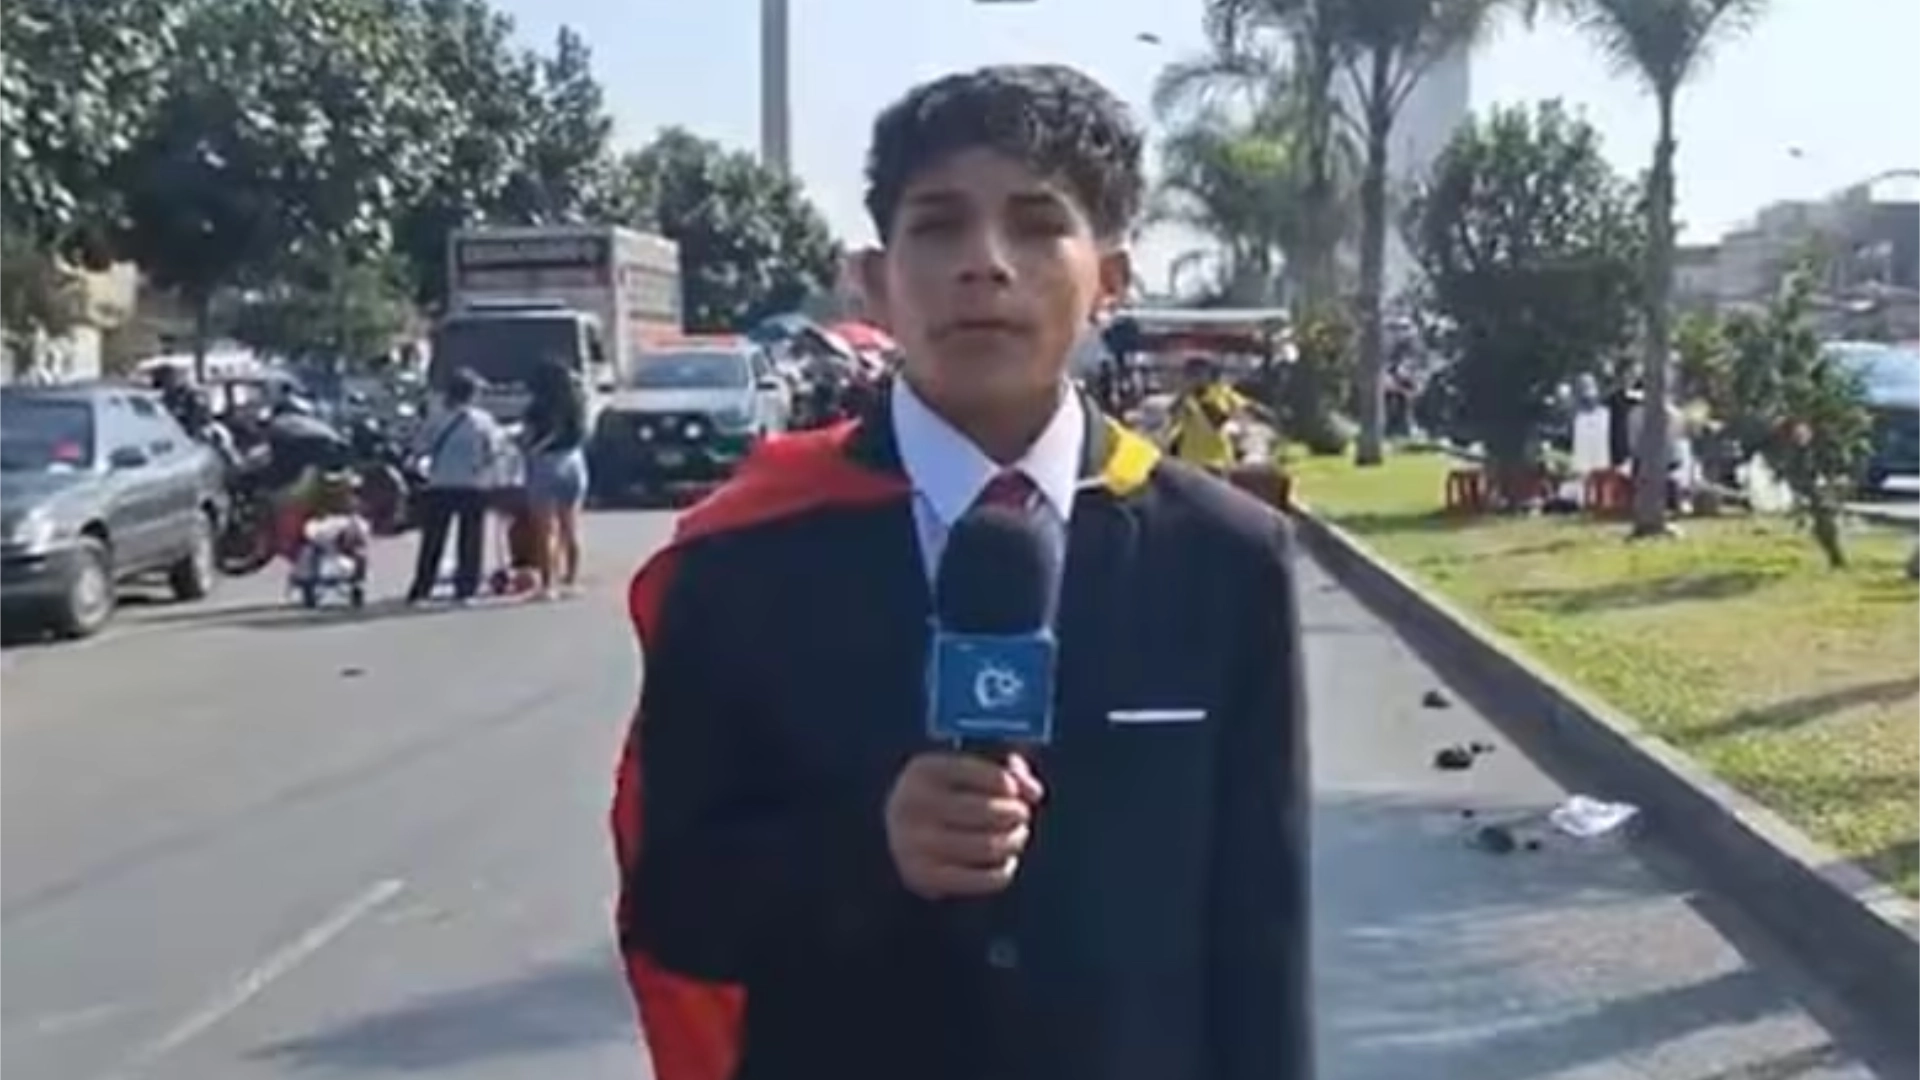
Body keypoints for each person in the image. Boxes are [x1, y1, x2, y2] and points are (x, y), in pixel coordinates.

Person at [613, 65, 1310, 1080]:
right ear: (873, 278)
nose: (984, 263)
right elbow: (677, 912)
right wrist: (867, 853)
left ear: (1110, 280)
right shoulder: (740, 562)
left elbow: (1261, 936)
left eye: (1036, 225)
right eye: (937, 226)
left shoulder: (1228, 558)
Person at [405, 368, 503, 604]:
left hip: (440, 483)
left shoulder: (436, 418)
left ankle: (422, 588)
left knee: (433, 539)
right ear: (472, 394)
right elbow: (493, 451)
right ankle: (466, 588)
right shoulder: (483, 420)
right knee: (471, 539)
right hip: (473, 484)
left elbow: (420, 449)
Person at [522, 357, 590, 599]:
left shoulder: (537, 407)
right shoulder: (576, 403)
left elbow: (529, 438)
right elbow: (584, 433)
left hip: (545, 463)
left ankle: (548, 584)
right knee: (569, 526)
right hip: (574, 461)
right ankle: (571, 580)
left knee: (545, 529)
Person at [1165, 354, 1269, 473]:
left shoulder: (1222, 392)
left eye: (1201, 373)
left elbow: (1246, 406)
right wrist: (1184, 395)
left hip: (1219, 457)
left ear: (1210, 375)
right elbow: (1173, 416)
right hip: (1191, 459)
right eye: (1192, 373)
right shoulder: (1185, 397)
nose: (1197, 377)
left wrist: (1263, 414)